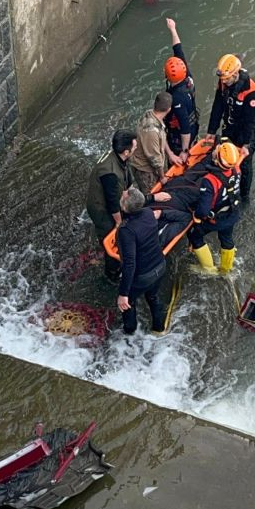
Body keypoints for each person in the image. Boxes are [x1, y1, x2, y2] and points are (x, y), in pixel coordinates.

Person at [206, 53, 255, 204]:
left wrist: (246, 144)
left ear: (235, 74)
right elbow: (218, 106)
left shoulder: (251, 90)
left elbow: (250, 121)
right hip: (229, 126)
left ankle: (245, 195)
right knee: (224, 157)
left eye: (226, 79)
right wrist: (211, 130)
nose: (224, 82)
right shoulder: (224, 81)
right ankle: (225, 191)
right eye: (222, 79)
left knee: (245, 164)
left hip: (244, 131)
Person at [115, 188, 168, 335]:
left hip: (143, 275)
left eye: (124, 195)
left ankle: (129, 332)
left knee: (128, 303)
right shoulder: (148, 213)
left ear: (124, 207)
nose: (123, 192)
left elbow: (129, 263)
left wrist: (123, 293)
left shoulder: (127, 230)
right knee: (153, 296)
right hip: (159, 265)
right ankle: (159, 328)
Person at [86, 130, 136, 282]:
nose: (136, 149)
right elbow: (112, 203)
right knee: (111, 238)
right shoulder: (110, 173)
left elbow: (126, 180)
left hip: (110, 197)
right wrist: (119, 223)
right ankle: (112, 273)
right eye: (135, 147)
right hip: (101, 209)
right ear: (126, 152)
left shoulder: (118, 157)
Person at [188, 142, 244, 274]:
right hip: (232, 213)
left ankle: (209, 269)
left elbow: (203, 210)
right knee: (226, 238)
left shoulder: (210, 180)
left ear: (217, 159)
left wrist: (196, 216)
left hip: (216, 218)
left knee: (194, 236)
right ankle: (226, 269)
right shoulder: (236, 170)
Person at [129, 91, 181, 194]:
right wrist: (162, 177)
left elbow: (161, 137)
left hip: (146, 164)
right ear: (169, 109)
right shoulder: (151, 131)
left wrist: (170, 153)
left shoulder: (150, 115)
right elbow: (154, 159)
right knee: (151, 194)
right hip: (145, 171)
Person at [163, 18, 199, 157]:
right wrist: (173, 29)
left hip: (180, 137)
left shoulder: (176, 98)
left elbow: (184, 127)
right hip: (194, 125)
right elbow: (178, 50)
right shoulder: (187, 76)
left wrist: (184, 151)